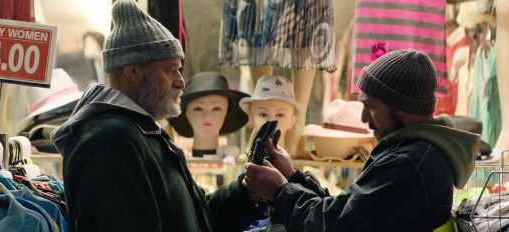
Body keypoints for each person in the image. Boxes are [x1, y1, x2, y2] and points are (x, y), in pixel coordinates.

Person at [50, 0, 268, 231]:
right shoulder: (110, 141)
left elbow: (194, 217)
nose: (180, 81)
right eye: (170, 69)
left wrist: (249, 190)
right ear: (133, 71)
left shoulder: (136, 132)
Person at [242, 49, 480, 231]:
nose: (364, 118)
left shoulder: (410, 163)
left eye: (371, 106)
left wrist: (280, 190)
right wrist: (293, 177)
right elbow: (349, 212)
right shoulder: (414, 153)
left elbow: (332, 224)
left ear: (404, 108)